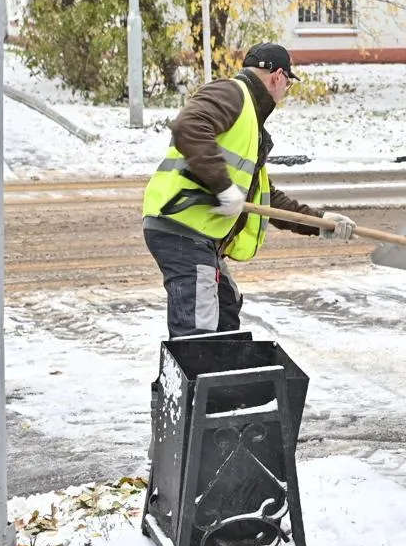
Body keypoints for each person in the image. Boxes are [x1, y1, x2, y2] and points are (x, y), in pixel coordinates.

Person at [141, 43, 357, 337]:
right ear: (278, 76)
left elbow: (268, 198)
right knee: (198, 332)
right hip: (181, 228)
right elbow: (188, 126)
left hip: (199, 237)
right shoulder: (231, 93)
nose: (284, 93)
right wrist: (223, 187)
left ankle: (224, 380)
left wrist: (322, 221)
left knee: (226, 309)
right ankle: (190, 380)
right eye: (288, 85)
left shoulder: (249, 124)